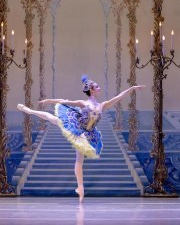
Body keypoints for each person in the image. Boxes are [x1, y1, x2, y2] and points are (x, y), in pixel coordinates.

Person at [17, 75, 145, 202]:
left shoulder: (103, 105)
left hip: (89, 133)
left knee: (79, 159)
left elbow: (118, 97)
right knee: (54, 119)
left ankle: (80, 187)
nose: (99, 88)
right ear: (92, 90)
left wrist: (132, 88)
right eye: (97, 86)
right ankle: (30, 111)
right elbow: (64, 101)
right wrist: (49, 101)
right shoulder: (83, 103)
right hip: (77, 126)